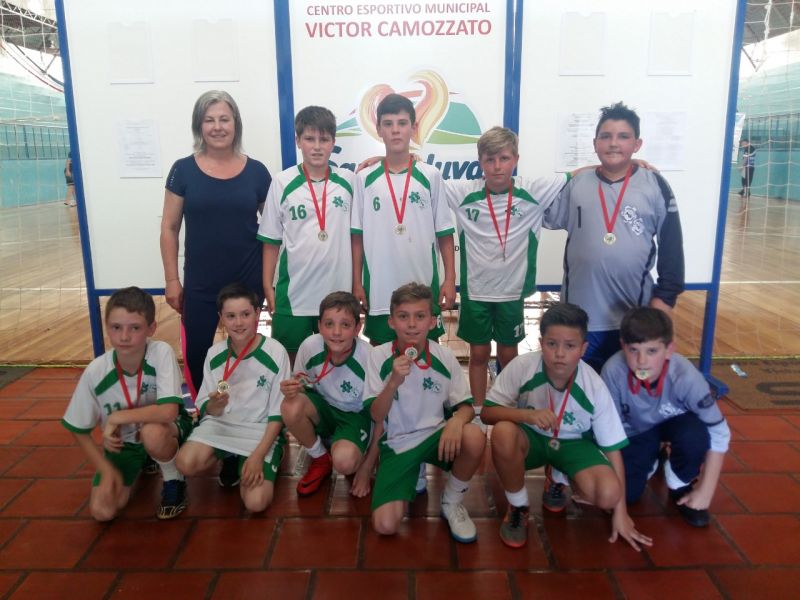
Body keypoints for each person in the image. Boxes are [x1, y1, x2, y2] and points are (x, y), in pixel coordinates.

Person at [481, 302, 651, 551]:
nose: (560, 353)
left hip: (574, 444)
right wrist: (526, 416)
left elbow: (613, 449)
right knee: (503, 433)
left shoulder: (594, 385)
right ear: (541, 343)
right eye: (552, 344)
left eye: (570, 346)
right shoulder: (522, 366)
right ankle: (518, 505)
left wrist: (621, 511)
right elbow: (487, 413)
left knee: (608, 494)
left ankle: (557, 477)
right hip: (531, 437)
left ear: (583, 349)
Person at [544, 102, 684, 372]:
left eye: (623, 136)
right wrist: (579, 171)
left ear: (637, 144)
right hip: (580, 320)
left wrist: (664, 301)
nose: (613, 143)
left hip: (632, 319)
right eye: (605, 136)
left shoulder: (654, 184)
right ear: (595, 143)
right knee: (582, 389)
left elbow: (672, 248)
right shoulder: (576, 185)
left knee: (628, 387)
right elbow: (536, 209)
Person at [446, 126, 571, 405]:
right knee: (478, 354)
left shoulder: (533, 190)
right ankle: (479, 410)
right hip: (476, 292)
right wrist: (385, 159)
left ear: (515, 159)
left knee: (508, 354)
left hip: (512, 292)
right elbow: (423, 177)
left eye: (504, 158)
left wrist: (630, 164)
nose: (497, 166)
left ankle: (508, 407)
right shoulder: (464, 193)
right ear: (480, 162)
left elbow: (575, 175)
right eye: (489, 160)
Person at [160, 90, 272, 398]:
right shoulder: (182, 170)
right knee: (197, 355)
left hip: (247, 282)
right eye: (209, 120)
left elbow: (274, 231)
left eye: (225, 119)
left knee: (246, 354)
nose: (218, 127)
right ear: (199, 125)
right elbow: (169, 228)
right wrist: (172, 280)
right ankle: (204, 412)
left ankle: (248, 410)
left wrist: (268, 283)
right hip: (200, 285)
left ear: (236, 124)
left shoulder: (257, 172)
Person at [367, 283, 485, 542]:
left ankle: (451, 501)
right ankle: (413, 469)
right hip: (397, 443)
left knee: (474, 436)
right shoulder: (378, 356)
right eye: (403, 316)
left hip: (436, 436)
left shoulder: (445, 356)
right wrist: (393, 382)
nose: (412, 324)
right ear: (391, 322)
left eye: (420, 316)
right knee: (385, 525)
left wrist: (456, 422)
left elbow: (465, 406)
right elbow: (376, 415)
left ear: (432, 322)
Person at [61, 287, 192, 521]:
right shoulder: (96, 372)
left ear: (151, 328)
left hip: (167, 429)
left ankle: (174, 479)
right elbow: (78, 430)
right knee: (103, 512)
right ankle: (145, 459)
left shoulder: (160, 352)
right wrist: (105, 469)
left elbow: (168, 411)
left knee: (152, 433)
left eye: (135, 328)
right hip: (126, 443)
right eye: (116, 327)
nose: (124, 337)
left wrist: (117, 417)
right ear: (106, 327)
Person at [602, 307, 730, 527]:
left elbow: (720, 431)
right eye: (633, 350)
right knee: (627, 495)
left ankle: (679, 481)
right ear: (623, 346)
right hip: (636, 430)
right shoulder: (612, 371)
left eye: (652, 351)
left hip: (675, 423)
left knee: (695, 436)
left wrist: (706, 491)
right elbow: (609, 431)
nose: (642, 361)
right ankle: (653, 456)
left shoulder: (686, 377)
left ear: (669, 350)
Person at [351, 93, 456, 345]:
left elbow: (444, 234)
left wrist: (450, 279)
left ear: (413, 127)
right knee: (381, 356)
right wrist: (357, 282)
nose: (395, 130)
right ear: (378, 130)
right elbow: (357, 237)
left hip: (423, 285)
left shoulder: (430, 175)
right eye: (388, 124)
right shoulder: (364, 179)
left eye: (402, 123)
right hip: (379, 290)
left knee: (427, 355)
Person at [176, 283, 289, 513]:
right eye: (231, 316)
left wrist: (258, 456)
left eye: (245, 314)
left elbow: (278, 413)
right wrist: (214, 406)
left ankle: (272, 453)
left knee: (256, 503)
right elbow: (207, 408)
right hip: (222, 425)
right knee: (185, 463)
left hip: (259, 430)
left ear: (257, 313)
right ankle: (229, 455)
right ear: (221, 319)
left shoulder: (276, 352)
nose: (238, 323)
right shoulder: (215, 354)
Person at [258, 106, 354, 363]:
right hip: (294, 296)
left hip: (337, 293)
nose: (317, 147)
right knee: (290, 364)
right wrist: (267, 285)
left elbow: (358, 239)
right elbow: (271, 241)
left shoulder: (349, 181)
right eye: (310, 139)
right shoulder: (282, 182)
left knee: (336, 362)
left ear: (333, 142)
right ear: (298, 141)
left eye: (324, 139)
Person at [280, 291, 377, 498]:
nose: (336, 332)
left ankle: (348, 446)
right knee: (290, 405)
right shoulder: (310, 346)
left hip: (354, 417)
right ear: (319, 326)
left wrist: (367, 466)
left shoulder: (369, 358)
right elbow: (302, 381)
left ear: (357, 328)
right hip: (324, 408)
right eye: (329, 324)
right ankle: (320, 458)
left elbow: (382, 416)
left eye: (345, 325)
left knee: (345, 463)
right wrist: (292, 388)